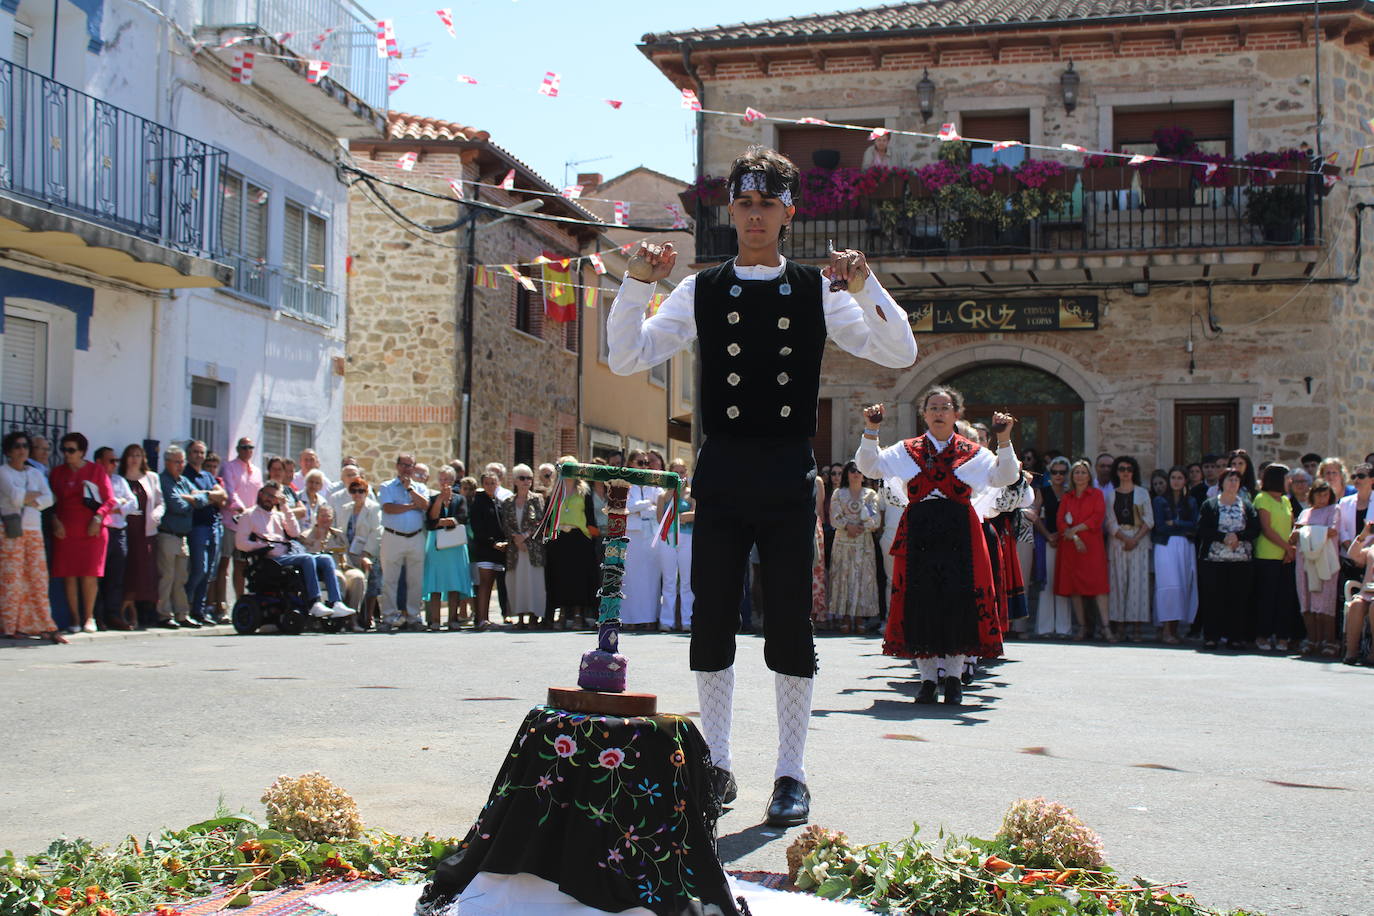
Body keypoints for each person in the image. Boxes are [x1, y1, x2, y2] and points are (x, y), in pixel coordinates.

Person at [608, 144, 917, 827]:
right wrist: (634, 286)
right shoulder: (699, 289)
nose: (754, 215)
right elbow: (627, 356)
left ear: (788, 214)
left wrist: (866, 286)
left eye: (767, 204)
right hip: (720, 471)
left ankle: (790, 772)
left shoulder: (818, 290)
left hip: (785, 473)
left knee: (789, 623)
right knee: (712, 619)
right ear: (730, 210)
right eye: (744, 203)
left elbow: (900, 352)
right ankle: (716, 765)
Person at [857, 391, 1020, 705]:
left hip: (960, 535)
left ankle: (954, 679)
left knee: (957, 602)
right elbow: (870, 466)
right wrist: (871, 430)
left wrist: (1004, 439)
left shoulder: (973, 453)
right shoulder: (907, 450)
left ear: (956, 414)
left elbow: (1006, 475)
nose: (939, 413)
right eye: (933, 408)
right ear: (924, 414)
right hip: (920, 533)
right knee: (922, 602)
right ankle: (928, 680)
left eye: (945, 408)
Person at [235, 482, 353, 620]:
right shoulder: (249, 515)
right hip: (270, 559)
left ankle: (336, 602)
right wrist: (262, 546)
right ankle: (314, 602)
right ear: (260, 494)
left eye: (274, 497)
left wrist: (284, 506)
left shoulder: (278, 515)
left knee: (326, 558)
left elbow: (295, 532)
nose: (270, 499)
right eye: (267, 495)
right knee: (307, 559)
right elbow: (240, 543)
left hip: (288, 555)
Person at [0, 431, 66, 642]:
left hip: (34, 530)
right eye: (17, 446)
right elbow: (15, 497)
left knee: (37, 580)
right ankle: (10, 625)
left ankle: (41, 624)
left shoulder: (35, 473)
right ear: (9, 451)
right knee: (12, 580)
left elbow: (49, 499)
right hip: (11, 531)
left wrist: (28, 498)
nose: (22, 450)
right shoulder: (3, 472)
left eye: (25, 446)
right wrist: (33, 497)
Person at [49, 432, 117, 633]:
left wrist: (98, 518)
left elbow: (110, 500)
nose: (66, 454)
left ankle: (89, 617)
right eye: (64, 450)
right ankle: (74, 619)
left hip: (91, 529)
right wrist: (54, 521)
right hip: (65, 529)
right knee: (69, 574)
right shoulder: (57, 473)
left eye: (71, 450)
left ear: (82, 452)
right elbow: (51, 502)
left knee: (89, 574)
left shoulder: (96, 471)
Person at [1197, 469, 1260, 650]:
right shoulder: (1210, 505)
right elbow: (1203, 529)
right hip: (1214, 560)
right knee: (1213, 599)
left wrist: (1238, 536)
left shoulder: (1246, 505)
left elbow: (1255, 529)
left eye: (1236, 480)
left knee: (1238, 599)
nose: (1233, 483)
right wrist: (1222, 537)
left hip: (1240, 560)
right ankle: (1211, 636)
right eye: (1229, 480)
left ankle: (1235, 637)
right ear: (1222, 483)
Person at [1056, 459, 1113, 641]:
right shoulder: (1067, 497)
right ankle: (1082, 627)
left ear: (1089, 476)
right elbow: (1060, 521)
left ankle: (1106, 628)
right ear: (1072, 476)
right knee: (1075, 588)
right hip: (1071, 547)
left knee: (1099, 586)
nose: (1080, 476)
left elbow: (1097, 518)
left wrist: (1075, 530)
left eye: (1083, 472)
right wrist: (1073, 536)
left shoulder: (1097, 494)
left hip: (1092, 547)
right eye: (1077, 472)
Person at [156, 445, 210, 629]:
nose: (180, 466)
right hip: (168, 535)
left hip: (183, 537)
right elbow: (176, 505)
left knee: (181, 578)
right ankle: (164, 614)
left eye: (182, 462)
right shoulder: (164, 481)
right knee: (167, 577)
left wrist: (190, 498)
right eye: (176, 462)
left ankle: (181, 613)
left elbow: (204, 499)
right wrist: (192, 500)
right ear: (167, 462)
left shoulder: (183, 481)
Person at [545, 456, 600, 631]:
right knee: (560, 576)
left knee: (579, 578)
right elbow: (548, 517)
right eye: (563, 467)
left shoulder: (585, 491)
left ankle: (578, 614)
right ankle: (561, 614)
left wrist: (592, 536)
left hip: (579, 538)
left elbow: (590, 517)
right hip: (559, 538)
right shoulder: (554, 492)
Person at [1253, 464, 1303, 652]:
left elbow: (1292, 525)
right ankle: (1263, 635)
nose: (1290, 481)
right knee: (1267, 598)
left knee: (1285, 598)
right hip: (1267, 556)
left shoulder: (1285, 500)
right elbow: (1267, 529)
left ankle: (1283, 636)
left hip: (1286, 557)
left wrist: (1290, 548)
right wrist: (1287, 548)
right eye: (1287, 478)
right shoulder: (1262, 498)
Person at [826, 460, 880, 633]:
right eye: (852, 470)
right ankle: (845, 617)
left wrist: (862, 526)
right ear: (847, 474)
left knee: (863, 579)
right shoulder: (838, 493)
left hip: (864, 543)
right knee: (843, 578)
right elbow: (834, 517)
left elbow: (876, 519)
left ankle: (860, 617)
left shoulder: (870, 495)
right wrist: (847, 526)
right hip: (843, 543)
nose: (856, 473)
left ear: (864, 475)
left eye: (859, 471)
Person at [377, 454, 429, 632]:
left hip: (415, 537)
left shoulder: (420, 487)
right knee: (390, 579)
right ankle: (389, 617)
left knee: (415, 580)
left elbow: (424, 505)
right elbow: (389, 508)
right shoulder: (387, 486)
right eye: (404, 465)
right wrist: (411, 506)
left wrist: (410, 490)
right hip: (393, 536)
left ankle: (414, 616)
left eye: (410, 465)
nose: (407, 469)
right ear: (397, 466)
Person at [1105, 455, 1153, 641]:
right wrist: (1125, 538)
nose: (1125, 472)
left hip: (1139, 541)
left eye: (1129, 469)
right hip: (1118, 542)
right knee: (1118, 584)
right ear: (1116, 472)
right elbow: (1109, 521)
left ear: (1134, 472)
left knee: (1138, 584)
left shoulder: (1142, 493)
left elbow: (1149, 519)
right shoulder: (1111, 494)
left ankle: (1137, 628)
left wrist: (1134, 539)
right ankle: (1119, 627)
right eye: (1121, 469)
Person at [1293, 480, 1340, 656]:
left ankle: (1329, 640)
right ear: (1312, 495)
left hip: (1325, 560)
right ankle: (1312, 639)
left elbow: (1332, 531)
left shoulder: (1334, 509)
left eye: (1325, 494)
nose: (1322, 498)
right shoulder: (1305, 513)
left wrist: (1305, 530)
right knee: (1306, 599)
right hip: (1304, 561)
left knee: (1325, 601)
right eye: (1318, 494)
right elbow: (1294, 534)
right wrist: (1299, 532)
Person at [1152, 466, 1198, 644]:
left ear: (1185, 480)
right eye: (1173, 477)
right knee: (1168, 586)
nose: (1176, 481)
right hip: (1166, 546)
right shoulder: (1160, 501)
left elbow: (1194, 525)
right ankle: (1165, 630)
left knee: (1183, 586)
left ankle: (1174, 630)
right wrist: (1182, 526)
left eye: (1180, 478)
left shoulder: (1191, 501)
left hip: (1185, 546)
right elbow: (1161, 526)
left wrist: (1176, 523)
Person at [422, 466, 472, 631]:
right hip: (436, 545)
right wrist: (439, 501)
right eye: (442, 479)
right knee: (435, 582)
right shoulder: (432, 498)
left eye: (448, 479)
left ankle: (452, 619)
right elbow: (431, 520)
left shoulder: (460, 499)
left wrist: (444, 522)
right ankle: (435, 620)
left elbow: (462, 517)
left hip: (455, 546)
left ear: (453, 481)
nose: (444, 483)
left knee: (454, 582)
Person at [118, 444, 163, 628]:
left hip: (146, 530)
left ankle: (145, 611)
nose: (134, 459)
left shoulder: (151, 478)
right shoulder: (120, 479)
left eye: (138, 455)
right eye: (131, 455)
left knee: (145, 571)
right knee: (128, 569)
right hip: (126, 530)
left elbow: (160, 502)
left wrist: (157, 515)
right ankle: (126, 609)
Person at [93, 447, 137, 630]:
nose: (115, 464)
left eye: (116, 461)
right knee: (98, 577)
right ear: (99, 462)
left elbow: (133, 503)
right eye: (111, 461)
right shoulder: (93, 481)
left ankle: (113, 615)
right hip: (101, 531)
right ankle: (97, 616)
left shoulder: (119, 481)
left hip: (119, 533)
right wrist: (119, 503)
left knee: (116, 577)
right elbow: (99, 504)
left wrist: (118, 506)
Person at [498, 464, 547, 629]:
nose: (526, 481)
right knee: (516, 582)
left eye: (529, 478)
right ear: (515, 481)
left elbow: (540, 521)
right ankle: (519, 617)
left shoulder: (537, 499)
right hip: (515, 550)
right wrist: (516, 540)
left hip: (533, 548)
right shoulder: (508, 502)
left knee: (534, 581)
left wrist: (525, 537)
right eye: (522, 478)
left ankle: (534, 617)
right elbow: (506, 524)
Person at [185, 441, 228, 624]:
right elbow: (195, 499)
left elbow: (223, 497)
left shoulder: (207, 475)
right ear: (189, 454)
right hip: (197, 526)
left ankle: (199, 610)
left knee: (209, 571)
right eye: (195, 452)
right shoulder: (185, 474)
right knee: (199, 569)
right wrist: (210, 496)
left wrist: (206, 495)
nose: (199, 456)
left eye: (202, 452)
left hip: (214, 526)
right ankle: (186, 607)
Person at [619, 450, 662, 629]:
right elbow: (628, 506)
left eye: (646, 463)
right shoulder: (625, 483)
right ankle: (629, 619)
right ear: (630, 463)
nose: (645, 466)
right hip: (633, 534)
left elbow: (660, 504)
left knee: (651, 578)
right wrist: (648, 504)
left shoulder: (654, 484)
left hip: (651, 533)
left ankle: (650, 617)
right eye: (640, 462)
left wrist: (643, 507)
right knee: (631, 577)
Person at [1034, 456, 1074, 637]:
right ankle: (1045, 627)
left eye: (1062, 472)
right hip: (1048, 541)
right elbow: (1035, 515)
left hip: (1067, 541)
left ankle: (1064, 628)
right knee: (1048, 582)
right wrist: (1048, 535)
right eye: (1055, 472)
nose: (1058, 475)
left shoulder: (1070, 493)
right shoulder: (1043, 491)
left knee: (1063, 582)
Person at [336, 473, 382, 629]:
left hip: (366, 552)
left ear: (366, 492)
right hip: (348, 552)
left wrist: (366, 553)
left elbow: (376, 532)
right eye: (354, 491)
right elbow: (341, 531)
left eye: (361, 491)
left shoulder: (373, 508)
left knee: (372, 584)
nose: (357, 494)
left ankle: (368, 616)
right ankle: (349, 616)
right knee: (351, 582)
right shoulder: (345, 509)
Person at [221, 437, 263, 600]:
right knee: (223, 564)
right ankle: (220, 603)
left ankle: (240, 602)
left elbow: (259, 496)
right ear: (238, 449)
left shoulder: (257, 471)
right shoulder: (229, 467)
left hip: (247, 527)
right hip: (230, 522)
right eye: (244, 447)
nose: (247, 450)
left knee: (241, 565)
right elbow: (230, 492)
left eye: (250, 447)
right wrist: (245, 511)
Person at [469, 470, 506, 630]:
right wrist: (492, 543)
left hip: (498, 551)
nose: (490, 486)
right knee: (484, 583)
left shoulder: (498, 502)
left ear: (498, 483)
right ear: (482, 485)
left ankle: (486, 618)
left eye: (493, 483)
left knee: (492, 584)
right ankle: (481, 619)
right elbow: (478, 528)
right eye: (487, 483)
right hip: (485, 549)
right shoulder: (478, 502)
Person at [1341, 518, 1374, 665]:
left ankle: (1372, 652)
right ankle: (1351, 652)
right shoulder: (1372, 549)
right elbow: (1353, 555)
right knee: (1356, 605)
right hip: (1367, 592)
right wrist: (1363, 536)